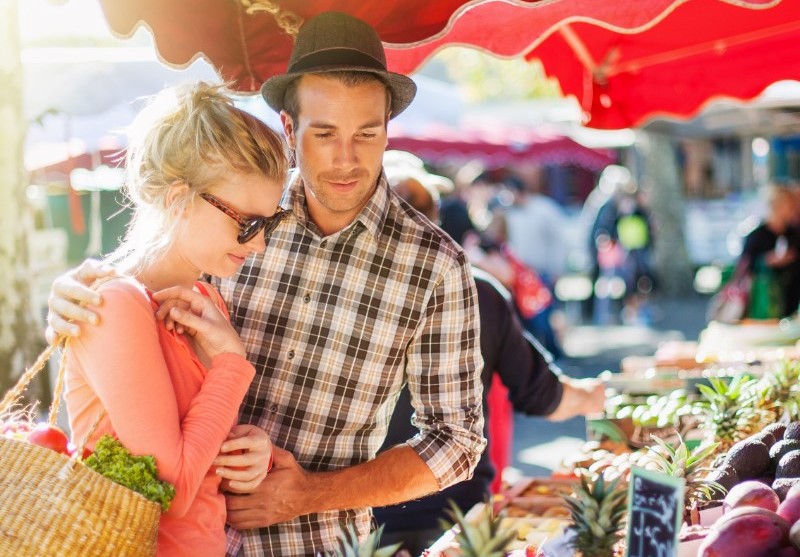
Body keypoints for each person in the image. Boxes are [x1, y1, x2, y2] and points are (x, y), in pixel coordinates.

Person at [46, 12, 485, 557]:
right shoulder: (244, 208)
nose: (346, 159)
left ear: (388, 130)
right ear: (287, 127)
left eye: (367, 135)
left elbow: (458, 444)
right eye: (323, 134)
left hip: (316, 544)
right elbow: (144, 282)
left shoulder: (436, 265)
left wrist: (309, 494)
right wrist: (76, 293)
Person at [62, 82, 281, 556]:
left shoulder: (204, 302)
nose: (259, 244)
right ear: (179, 198)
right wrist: (231, 365)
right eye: (247, 223)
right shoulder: (115, 305)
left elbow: (199, 460)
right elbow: (173, 491)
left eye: (270, 222)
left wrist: (250, 453)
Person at [374, 152, 606, 555]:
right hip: (458, 522)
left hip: (361, 522)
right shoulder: (478, 291)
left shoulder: (340, 297)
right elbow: (543, 395)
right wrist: (599, 396)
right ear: (435, 219)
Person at [738, 184, 800, 318]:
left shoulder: (793, 233)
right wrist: (767, 261)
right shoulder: (757, 235)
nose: (793, 209)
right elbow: (744, 267)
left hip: (791, 300)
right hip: (764, 303)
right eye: (790, 205)